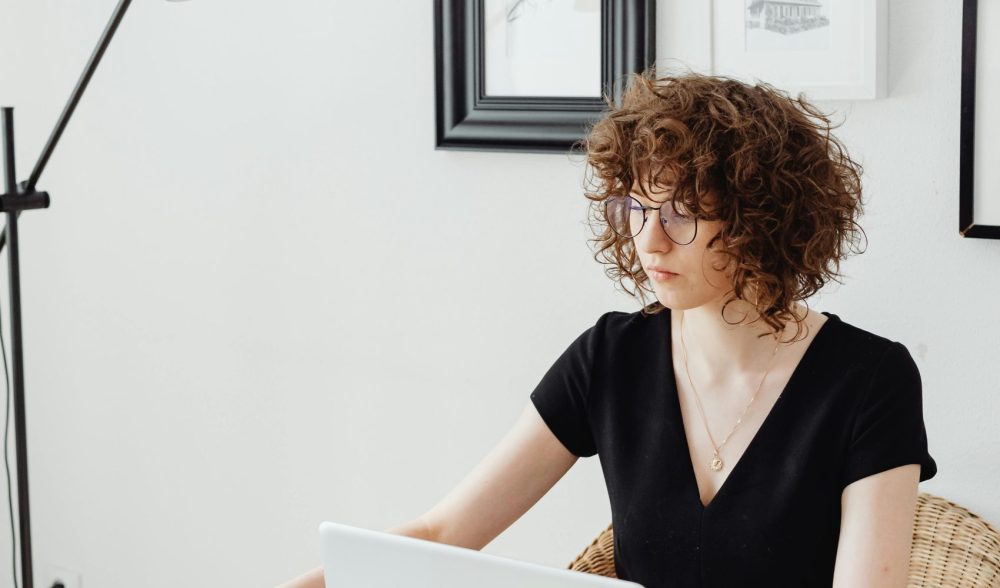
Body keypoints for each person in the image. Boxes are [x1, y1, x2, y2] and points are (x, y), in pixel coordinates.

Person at [278, 67, 936, 588]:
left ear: (763, 221)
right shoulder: (611, 357)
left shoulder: (870, 381)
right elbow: (444, 532)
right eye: (637, 208)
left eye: (681, 214)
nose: (650, 241)